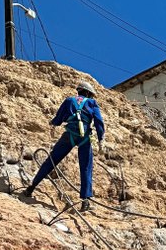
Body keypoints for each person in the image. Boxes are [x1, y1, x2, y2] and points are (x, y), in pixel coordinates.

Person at [23, 81, 105, 212]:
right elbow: (99, 122)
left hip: (69, 135)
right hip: (84, 138)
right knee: (86, 167)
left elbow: (58, 118)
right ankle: (85, 201)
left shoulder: (69, 100)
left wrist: (53, 123)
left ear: (79, 90)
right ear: (88, 93)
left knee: (51, 161)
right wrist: (101, 139)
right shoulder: (92, 103)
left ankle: (31, 188)